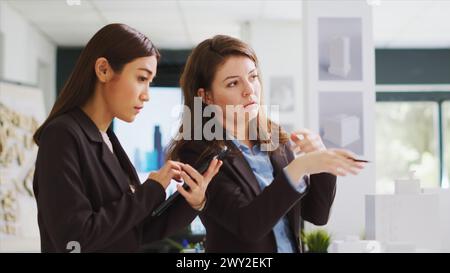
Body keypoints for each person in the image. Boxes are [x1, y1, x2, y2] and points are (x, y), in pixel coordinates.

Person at [32, 24, 222, 253]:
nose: (147, 95)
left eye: (149, 82)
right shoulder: (62, 135)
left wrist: (193, 201)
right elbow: (74, 240)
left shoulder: (108, 140)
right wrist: (152, 189)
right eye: (141, 78)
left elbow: (137, 230)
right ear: (103, 70)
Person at [166, 35, 365, 253]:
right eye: (233, 83)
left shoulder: (275, 139)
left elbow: (316, 215)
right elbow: (247, 225)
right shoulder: (198, 151)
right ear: (206, 96)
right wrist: (300, 167)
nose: (249, 90)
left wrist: (321, 163)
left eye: (252, 77)